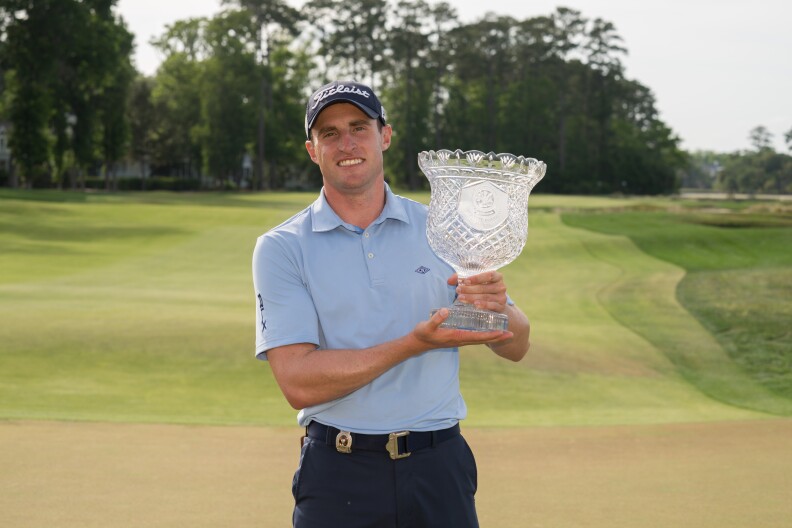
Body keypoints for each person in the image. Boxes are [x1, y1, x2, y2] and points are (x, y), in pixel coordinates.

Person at [252, 80, 531, 528]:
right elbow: (298, 384)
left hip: (438, 466)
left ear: (385, 136)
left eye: (359, 127)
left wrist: (499, 307)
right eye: (329, 133)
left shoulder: (442, 229)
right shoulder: (283, 247)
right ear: (312, 150)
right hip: (338, 471)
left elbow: (516, 345)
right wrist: (414, 343)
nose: (347, 143)